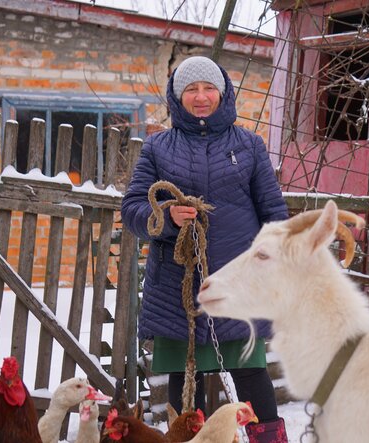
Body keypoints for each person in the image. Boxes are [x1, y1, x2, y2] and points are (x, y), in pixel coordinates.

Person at [121, 55, 289, 442]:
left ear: (223, 93)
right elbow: (132, 209)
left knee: (251, 373)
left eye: (208, 88)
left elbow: (273, 213)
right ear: (177, 97)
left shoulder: (249, 145)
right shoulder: (157, 147)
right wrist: (166, 215)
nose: (200, 97)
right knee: (186, 380)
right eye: (191, 90)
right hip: (177, 284)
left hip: (238, 282)